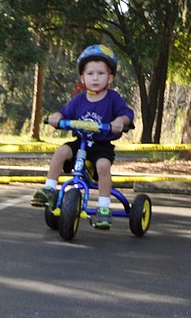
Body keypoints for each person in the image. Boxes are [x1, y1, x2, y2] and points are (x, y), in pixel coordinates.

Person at [31, 44, 134, 228]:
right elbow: (64, 113)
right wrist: (57, 117)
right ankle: (49, 188)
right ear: (82, 77)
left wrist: (120, 121)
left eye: (101, 74)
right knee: (61, 150)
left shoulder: (112, 98)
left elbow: (127, 114)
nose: (95, 78)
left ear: (110, 77)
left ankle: (103, 208)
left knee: (103, 166)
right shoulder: (79, 99)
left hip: (102, 146)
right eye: (90, 74)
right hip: (81, 143)